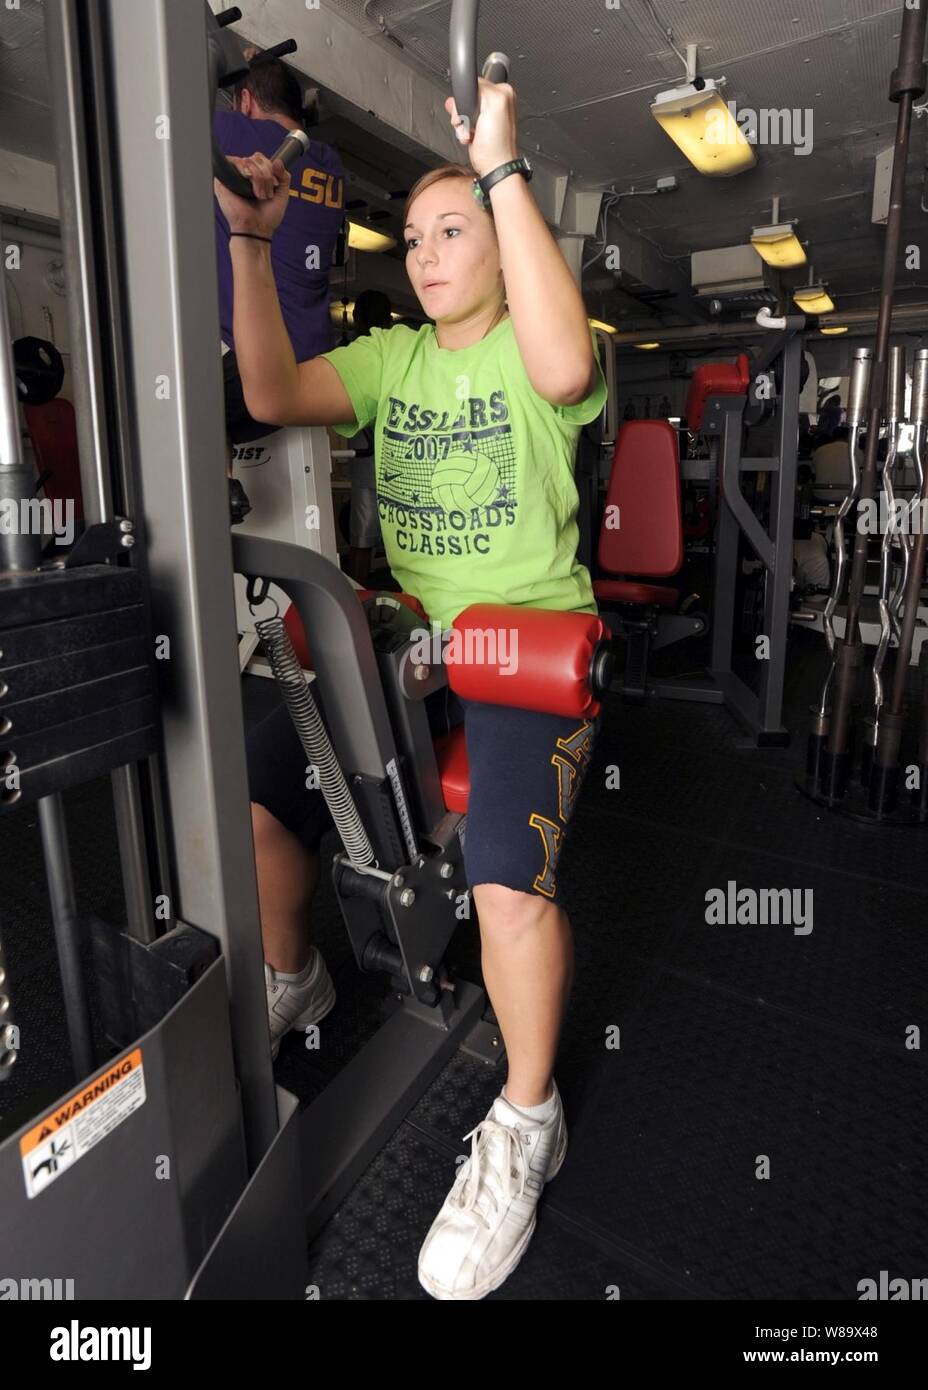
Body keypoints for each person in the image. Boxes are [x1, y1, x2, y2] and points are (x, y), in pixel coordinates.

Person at [213, 71, 606, 1300]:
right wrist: (248, 240)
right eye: (419, 234)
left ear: (500, 245)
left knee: (502, 883)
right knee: (259, 791)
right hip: (409, 642)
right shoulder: (390, 362)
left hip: (522, 645)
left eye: (457, 233)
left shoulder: (546, 352)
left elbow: (556, 365)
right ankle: (298, 975)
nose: (431, 254)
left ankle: (527, 1120)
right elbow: (269, 392)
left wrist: (498, 165)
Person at [213, 52, 344, 521]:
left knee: (182, 406)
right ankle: (223, 487)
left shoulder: (230, 131)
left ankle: (217, 494)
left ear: (244, 99)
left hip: (262, 354)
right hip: (315, 356)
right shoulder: (329, 163)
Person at [344, 289, 393, 584]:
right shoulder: (349, 353)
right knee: (362, 534)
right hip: (372, 456)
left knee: (365, 534)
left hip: (386, 456)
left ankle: (359, 597)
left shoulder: (393, 353)